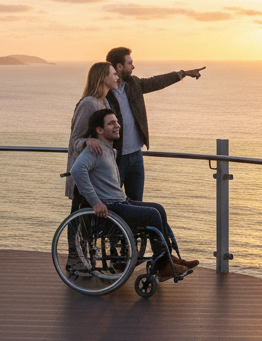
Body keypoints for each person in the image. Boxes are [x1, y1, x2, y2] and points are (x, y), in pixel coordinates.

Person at [69, 108, 198, 281]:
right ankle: (164, 265)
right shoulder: (94, 151)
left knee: (158, 209)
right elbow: (77, 170)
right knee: (152, 215)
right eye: (111, 123)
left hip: (121, 202)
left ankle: (166, 259)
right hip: (110, 208)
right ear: (99, 130)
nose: (118, 126)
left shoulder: (110, 151)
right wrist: (95, 202)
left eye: (117, 122)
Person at [104, 46, 205, 202]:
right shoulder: (104, 93)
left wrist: (183, 73)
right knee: (112, 202)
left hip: (136, 155)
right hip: (116, 157)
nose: (133, 66)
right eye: (130, 63)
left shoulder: (134, 84)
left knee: (137, 204)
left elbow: (157, 82)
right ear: (119, 66)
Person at [64, 62, 120, 208]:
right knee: (77, 221)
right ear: (103, 78)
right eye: (114, 74)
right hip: (85, 173)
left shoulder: (105, 102)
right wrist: (87, 141)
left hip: (97, 175)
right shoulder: (89, 103)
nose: (117, 77)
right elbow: (74, 140)